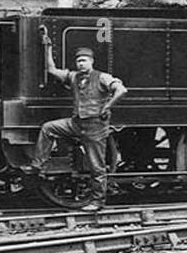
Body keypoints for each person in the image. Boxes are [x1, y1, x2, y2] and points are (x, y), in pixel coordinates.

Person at [31, 37, 128, 211]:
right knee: (48, 128)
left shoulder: (102, 77)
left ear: (91, 62)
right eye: (78, 61)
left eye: (84, 60)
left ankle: (98, 201)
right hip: (76, 123)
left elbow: (121, 90)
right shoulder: (74, 77)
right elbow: (51, 70)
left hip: (95, 128)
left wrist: (107, 106)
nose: (80, 64)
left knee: (96, 166)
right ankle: (38, 165)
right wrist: (48, 46)